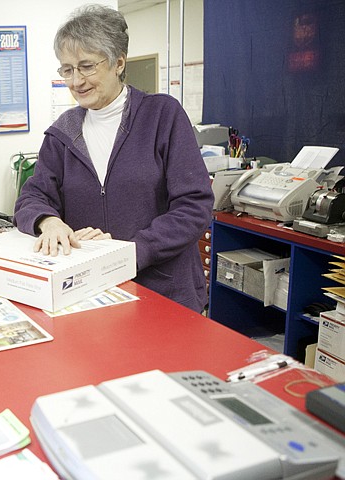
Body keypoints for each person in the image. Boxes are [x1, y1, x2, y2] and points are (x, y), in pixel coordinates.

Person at [14, 5, 214, 313]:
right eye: (67, 69)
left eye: (86, 66)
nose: (76, 81)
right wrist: (48, 221)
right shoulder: (61, 133)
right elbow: (32, 197)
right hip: (91, 294)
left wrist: (130, 252)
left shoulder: (162, 115)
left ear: (118, 62)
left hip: (164, 292)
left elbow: (193, 206)